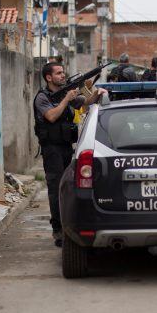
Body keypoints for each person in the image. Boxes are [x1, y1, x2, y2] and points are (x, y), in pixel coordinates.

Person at [34, 62, 105, 247]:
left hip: (66, 147)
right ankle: (58, 231)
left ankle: (69, 227)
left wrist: (96, 92)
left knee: (70, 189)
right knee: (56, 189)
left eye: (63, 72)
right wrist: (66, 99)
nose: (62, 75)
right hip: (52, 150)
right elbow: (51, 116)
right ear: (48, 77)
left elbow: (86, 103)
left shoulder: (66, 93)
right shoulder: (42, 98)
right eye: (58, 73)